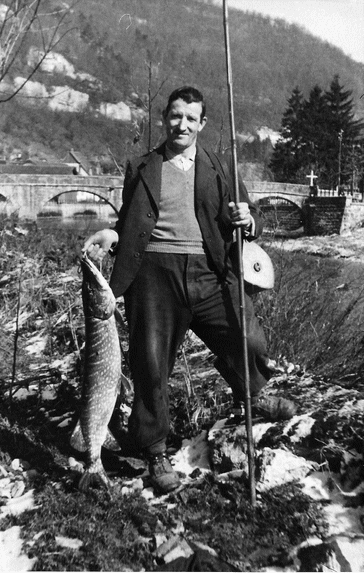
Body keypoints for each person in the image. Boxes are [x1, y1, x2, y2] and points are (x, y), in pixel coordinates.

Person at [84, 86, 296, 494]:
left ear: (202, 124)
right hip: (153, 273)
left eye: (190, 118)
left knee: (245, 333)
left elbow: (253, 226)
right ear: (165, 119)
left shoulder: (220, 168)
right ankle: (154, 448)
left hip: (208, 270)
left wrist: (247, 220)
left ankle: (252, 394)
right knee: (150, 361)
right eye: (175, 116)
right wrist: (113, 232)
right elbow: (129, 217)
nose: (181, 124)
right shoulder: (143, 166)